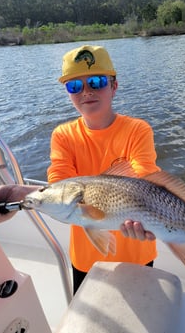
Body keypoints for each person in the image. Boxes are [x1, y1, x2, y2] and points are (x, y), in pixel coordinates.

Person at [47, 44, 160, 294]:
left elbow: (145, 179)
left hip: (137, 249)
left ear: (114, 86)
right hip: (87, 257)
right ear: (68, 93)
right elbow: (59, 188)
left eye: (96, 81)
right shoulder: (62, 136)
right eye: (74, 86)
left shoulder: (138, 130)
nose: (86, 92)